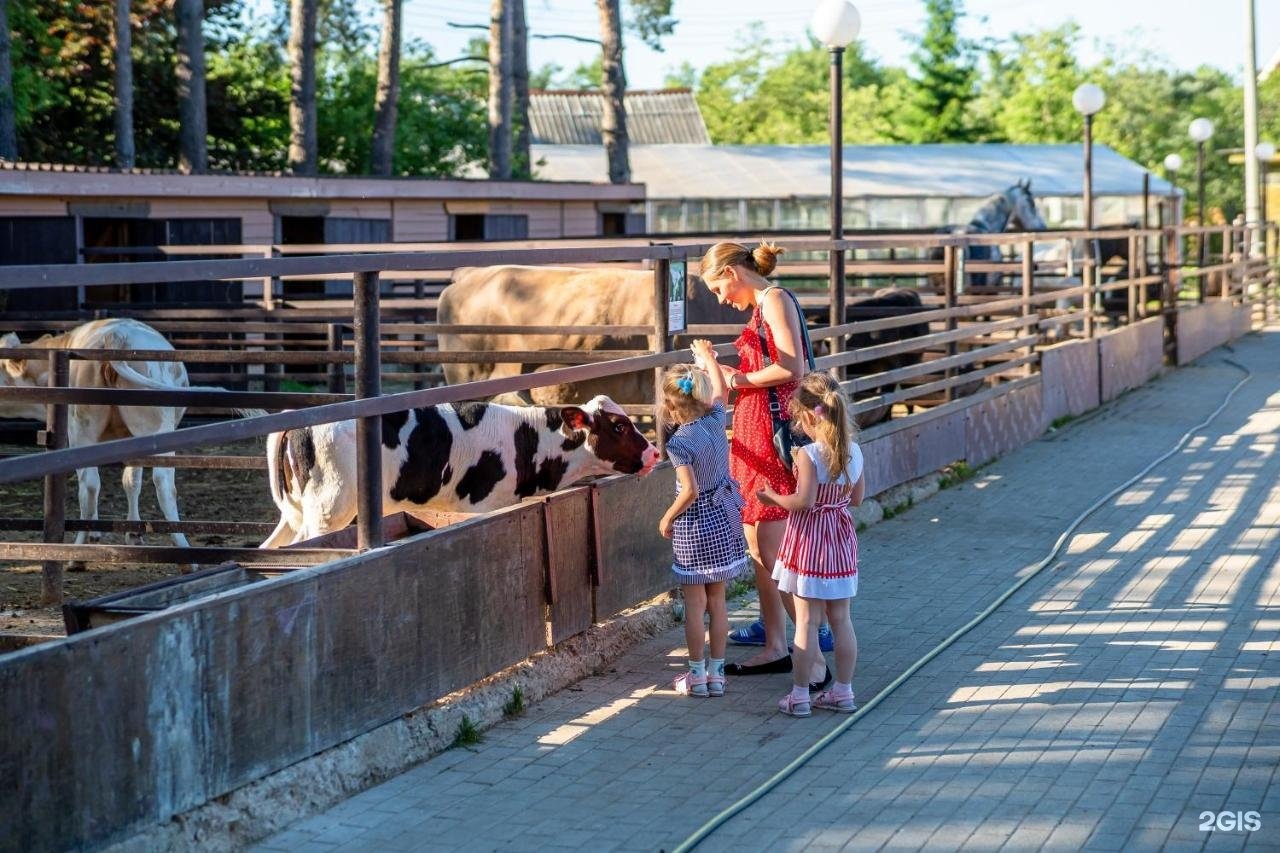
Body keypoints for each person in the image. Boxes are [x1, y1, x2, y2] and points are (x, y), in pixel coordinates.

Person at [697, 240, 827, 688]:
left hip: (772, 437)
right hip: (756, 431)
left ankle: (814, 660)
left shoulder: (773, 299)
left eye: (717, 288)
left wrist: (735, 378)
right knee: (758, 547)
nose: (720, 298)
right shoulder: (763, 305)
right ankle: (776, 645)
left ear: (732, 273)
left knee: (772, 549)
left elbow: (791, 367)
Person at [758, 372, 863, 716]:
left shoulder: (807, 454)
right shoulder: (855, 451)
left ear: (805, 415)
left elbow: (803, 502)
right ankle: (843, 692)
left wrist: (773, 498)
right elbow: (858, 498)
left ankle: (800, 695)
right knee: (842, 619)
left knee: (806, 622)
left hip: (809, 543)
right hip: (840, 543)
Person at [657, 340, 749, 698]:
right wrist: (709, 359)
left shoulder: (679, 443)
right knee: (719, 601)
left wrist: (666, 518)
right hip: (724, 517)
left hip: (695, 525)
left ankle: (695, 675)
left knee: (695, 605)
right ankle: (717, 674)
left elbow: (689, 491)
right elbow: (722, 389)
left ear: (670, 405)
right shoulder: (713, 420)